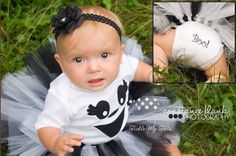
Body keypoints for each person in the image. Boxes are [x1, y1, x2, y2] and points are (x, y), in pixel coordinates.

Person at [1, 5, 184, 156]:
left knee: (165, 147)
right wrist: (56, 140)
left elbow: (137, 69)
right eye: (79, 60)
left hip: (126, 124)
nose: (94, 68)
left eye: (104, 55)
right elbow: (46, 125)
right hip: (85, 144)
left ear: (120, 53)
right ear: (61, 63)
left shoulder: (122, 65)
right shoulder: (63, 94)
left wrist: (150, 74)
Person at [153, 2, 235, 83]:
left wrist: (158, 77)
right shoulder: (160, 43)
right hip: (196, 34)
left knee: (220, 76)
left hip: (205, 44)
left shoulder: (157, 46)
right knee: (220, 76)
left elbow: (160, 70)